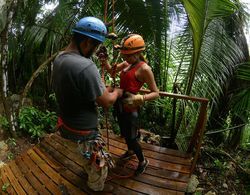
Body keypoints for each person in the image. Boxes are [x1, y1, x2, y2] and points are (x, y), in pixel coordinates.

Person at [52, 16, 123, 192]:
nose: (95, 50)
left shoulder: (60, 58)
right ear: (87, 42)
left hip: (67, 128)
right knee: (100, 167)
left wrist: (100, 87)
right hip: (84, 135)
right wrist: (117, 92)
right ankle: (94, 189)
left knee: (85, 159)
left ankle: (87, 168)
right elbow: (106, 102)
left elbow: (78, 87)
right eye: (96, 46)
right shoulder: (86, 66)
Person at [98, 34, 159, 176]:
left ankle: (143, 161)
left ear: (138, 53)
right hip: (120, 103)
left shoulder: (145, 69)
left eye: (128, 55)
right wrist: (104, 60)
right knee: (124, 132)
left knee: (131, 137)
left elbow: (156, 93)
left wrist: (140, 97)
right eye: (124, 55)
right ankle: (130, 151)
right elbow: (111, 72)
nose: (125, 58)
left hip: (132, 106)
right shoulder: (127, 63)